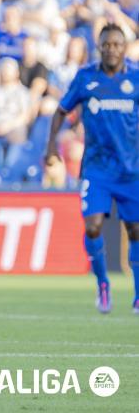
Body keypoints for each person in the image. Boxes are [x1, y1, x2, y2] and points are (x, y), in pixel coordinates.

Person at [45, 23, 139, 315]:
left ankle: (138, 293)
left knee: (135, 230)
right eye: (106, 44)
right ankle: (102, 284)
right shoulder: (86, 77)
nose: (111, 49)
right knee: (93, 225)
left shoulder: (135, 78)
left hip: (131, 169)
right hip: (97, 169)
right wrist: (50, 149)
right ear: (99, 47)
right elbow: (61, 111)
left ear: (124, 48)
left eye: (116, 44)